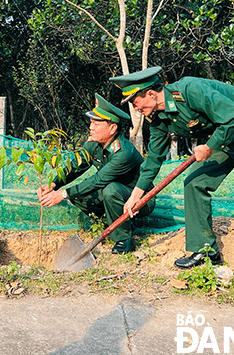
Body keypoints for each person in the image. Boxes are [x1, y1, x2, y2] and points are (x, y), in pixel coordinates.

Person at [110, 66, 234, 310]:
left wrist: (210, 146)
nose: (135, 107)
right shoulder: (159, 119)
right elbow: (153, 158)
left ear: (151, 94)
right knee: (194, 183)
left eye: (135, 100)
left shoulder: (190, 90)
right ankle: (205, 250)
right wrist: (135, 195)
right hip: (223, 138)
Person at [36, 94, 155, 254]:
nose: (91, 128)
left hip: (141, 198)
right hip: (115, 194)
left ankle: (124, 239)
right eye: (91, 123)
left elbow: (98, 180)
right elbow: (76, 166)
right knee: (79, 194)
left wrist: (62, 195)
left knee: (110, 189)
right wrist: (54, 184)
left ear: (112, 128)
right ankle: (117, 224)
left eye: (96, 124)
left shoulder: (123, 152)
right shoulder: (94, 144)